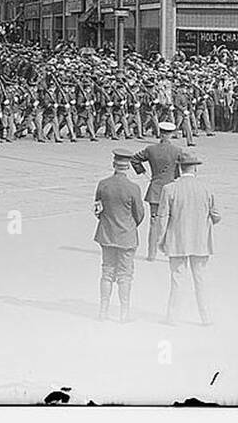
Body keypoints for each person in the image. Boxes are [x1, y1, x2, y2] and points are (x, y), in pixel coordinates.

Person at [157, 150, 220, 326]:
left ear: (179, 168)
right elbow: (216, 215)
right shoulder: (206, 189)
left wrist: (161, 241)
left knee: (177, 280)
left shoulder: (169, 189)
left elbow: (162, 218)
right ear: (195, 169)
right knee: (200, 279)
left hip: (177, 240)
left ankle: (172, 317)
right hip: (200, 242)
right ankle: (206, 317)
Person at [94, 149, 146, 322]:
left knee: (107, 271)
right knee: (125, 275)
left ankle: (103, 310)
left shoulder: (103, 184)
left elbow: (97, 210)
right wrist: (129, 226)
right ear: (128, 167)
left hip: (107, 234)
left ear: (113, 165)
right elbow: (139, 214)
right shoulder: (133, 188)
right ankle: (124, 313)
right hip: (126, 236)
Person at [130, 121, 182, 261]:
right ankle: (171, 253)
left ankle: (151, 254)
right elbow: (185, 165)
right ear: (171, 134)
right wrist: (176, 175)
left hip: (155, 190)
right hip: (171, 189)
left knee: (154, 224)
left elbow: (134, 159)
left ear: (160, 133)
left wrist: (143, 172)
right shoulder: (177, 150)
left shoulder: (151, 149)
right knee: (172, 222)